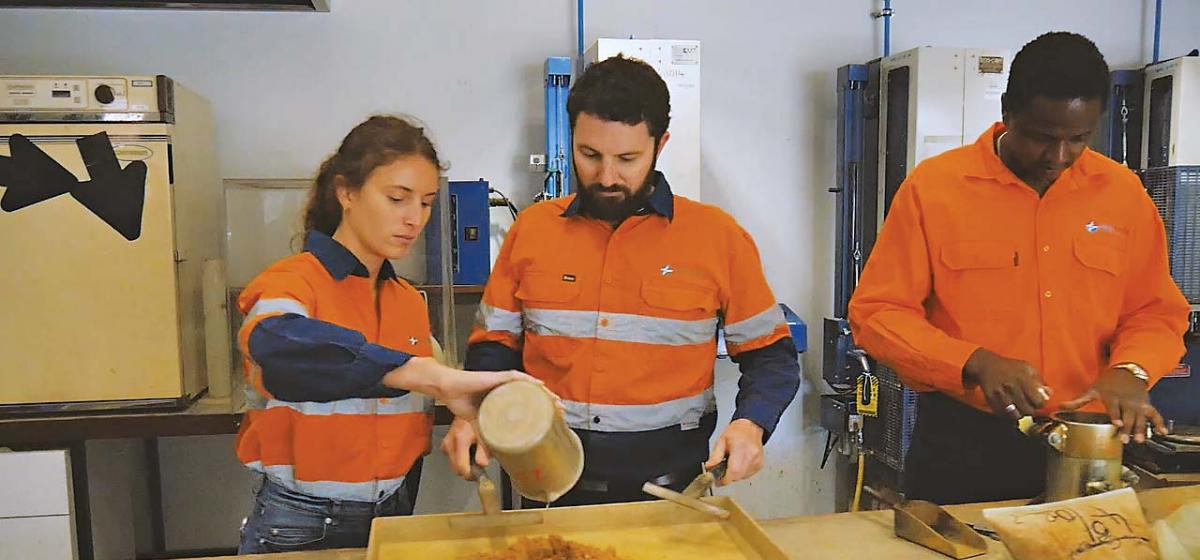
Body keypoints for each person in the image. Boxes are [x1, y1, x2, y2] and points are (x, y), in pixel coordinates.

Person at [848, 32, 1190, 505]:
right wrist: (973, 361)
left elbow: (1155, 312)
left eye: (1079, 139)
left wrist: (1130, 371)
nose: (1059, 157)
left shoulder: (1123, 194)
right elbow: (877, 314)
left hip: (1092, 446)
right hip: (965, 445)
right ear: (1008, 110)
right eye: (1042, 138)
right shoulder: (936, 189)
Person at [442, 56, 802, 506]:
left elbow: (771, 358)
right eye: (589, 155)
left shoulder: (718, 238)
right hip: (547, 486)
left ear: (660, 144)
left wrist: (751, 423)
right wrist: (474, 414)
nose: (607, 177)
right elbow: (493, 347)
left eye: (627, 159)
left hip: (670, 493)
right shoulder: (532, 231)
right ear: (571, 138)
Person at [235, 115, 533, 553]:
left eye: (427, 203)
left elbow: (433, 383)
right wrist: (428, 377)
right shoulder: (293, 283)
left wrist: (467, 418)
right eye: (397, 198)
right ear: (347, 193)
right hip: (300, 521)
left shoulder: (408, 301)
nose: (415, 219)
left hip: (393, 512)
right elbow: (277, 345)